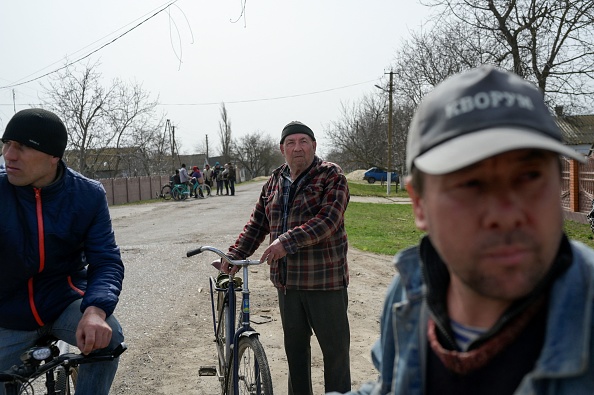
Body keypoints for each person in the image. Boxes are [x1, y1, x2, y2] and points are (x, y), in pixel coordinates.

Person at [341, 66, 594, 395]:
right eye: (470, 183)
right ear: (419, 205)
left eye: (529, 176)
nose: (506, 215)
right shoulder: (411, 292)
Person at [216, 121, 351, 394]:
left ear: (314, 145)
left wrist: (286, 241)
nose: (297, 147)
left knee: (335, 357)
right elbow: (256, 225)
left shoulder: (331, 175)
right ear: (282, 149)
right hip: (288, 286)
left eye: (303, 141)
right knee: (296, 356)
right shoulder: (274, 181)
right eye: (291, 143)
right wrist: (233, 256)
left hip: (325, 283)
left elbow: (329, 220)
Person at [0, 108, 125, 395]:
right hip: (6, 312)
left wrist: (95, 311)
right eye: (6, 144)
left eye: (21, 146)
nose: (9, 154)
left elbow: (106, 260)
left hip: (63, 302)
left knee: (110, 337)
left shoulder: (88, 195)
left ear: (53, 156)